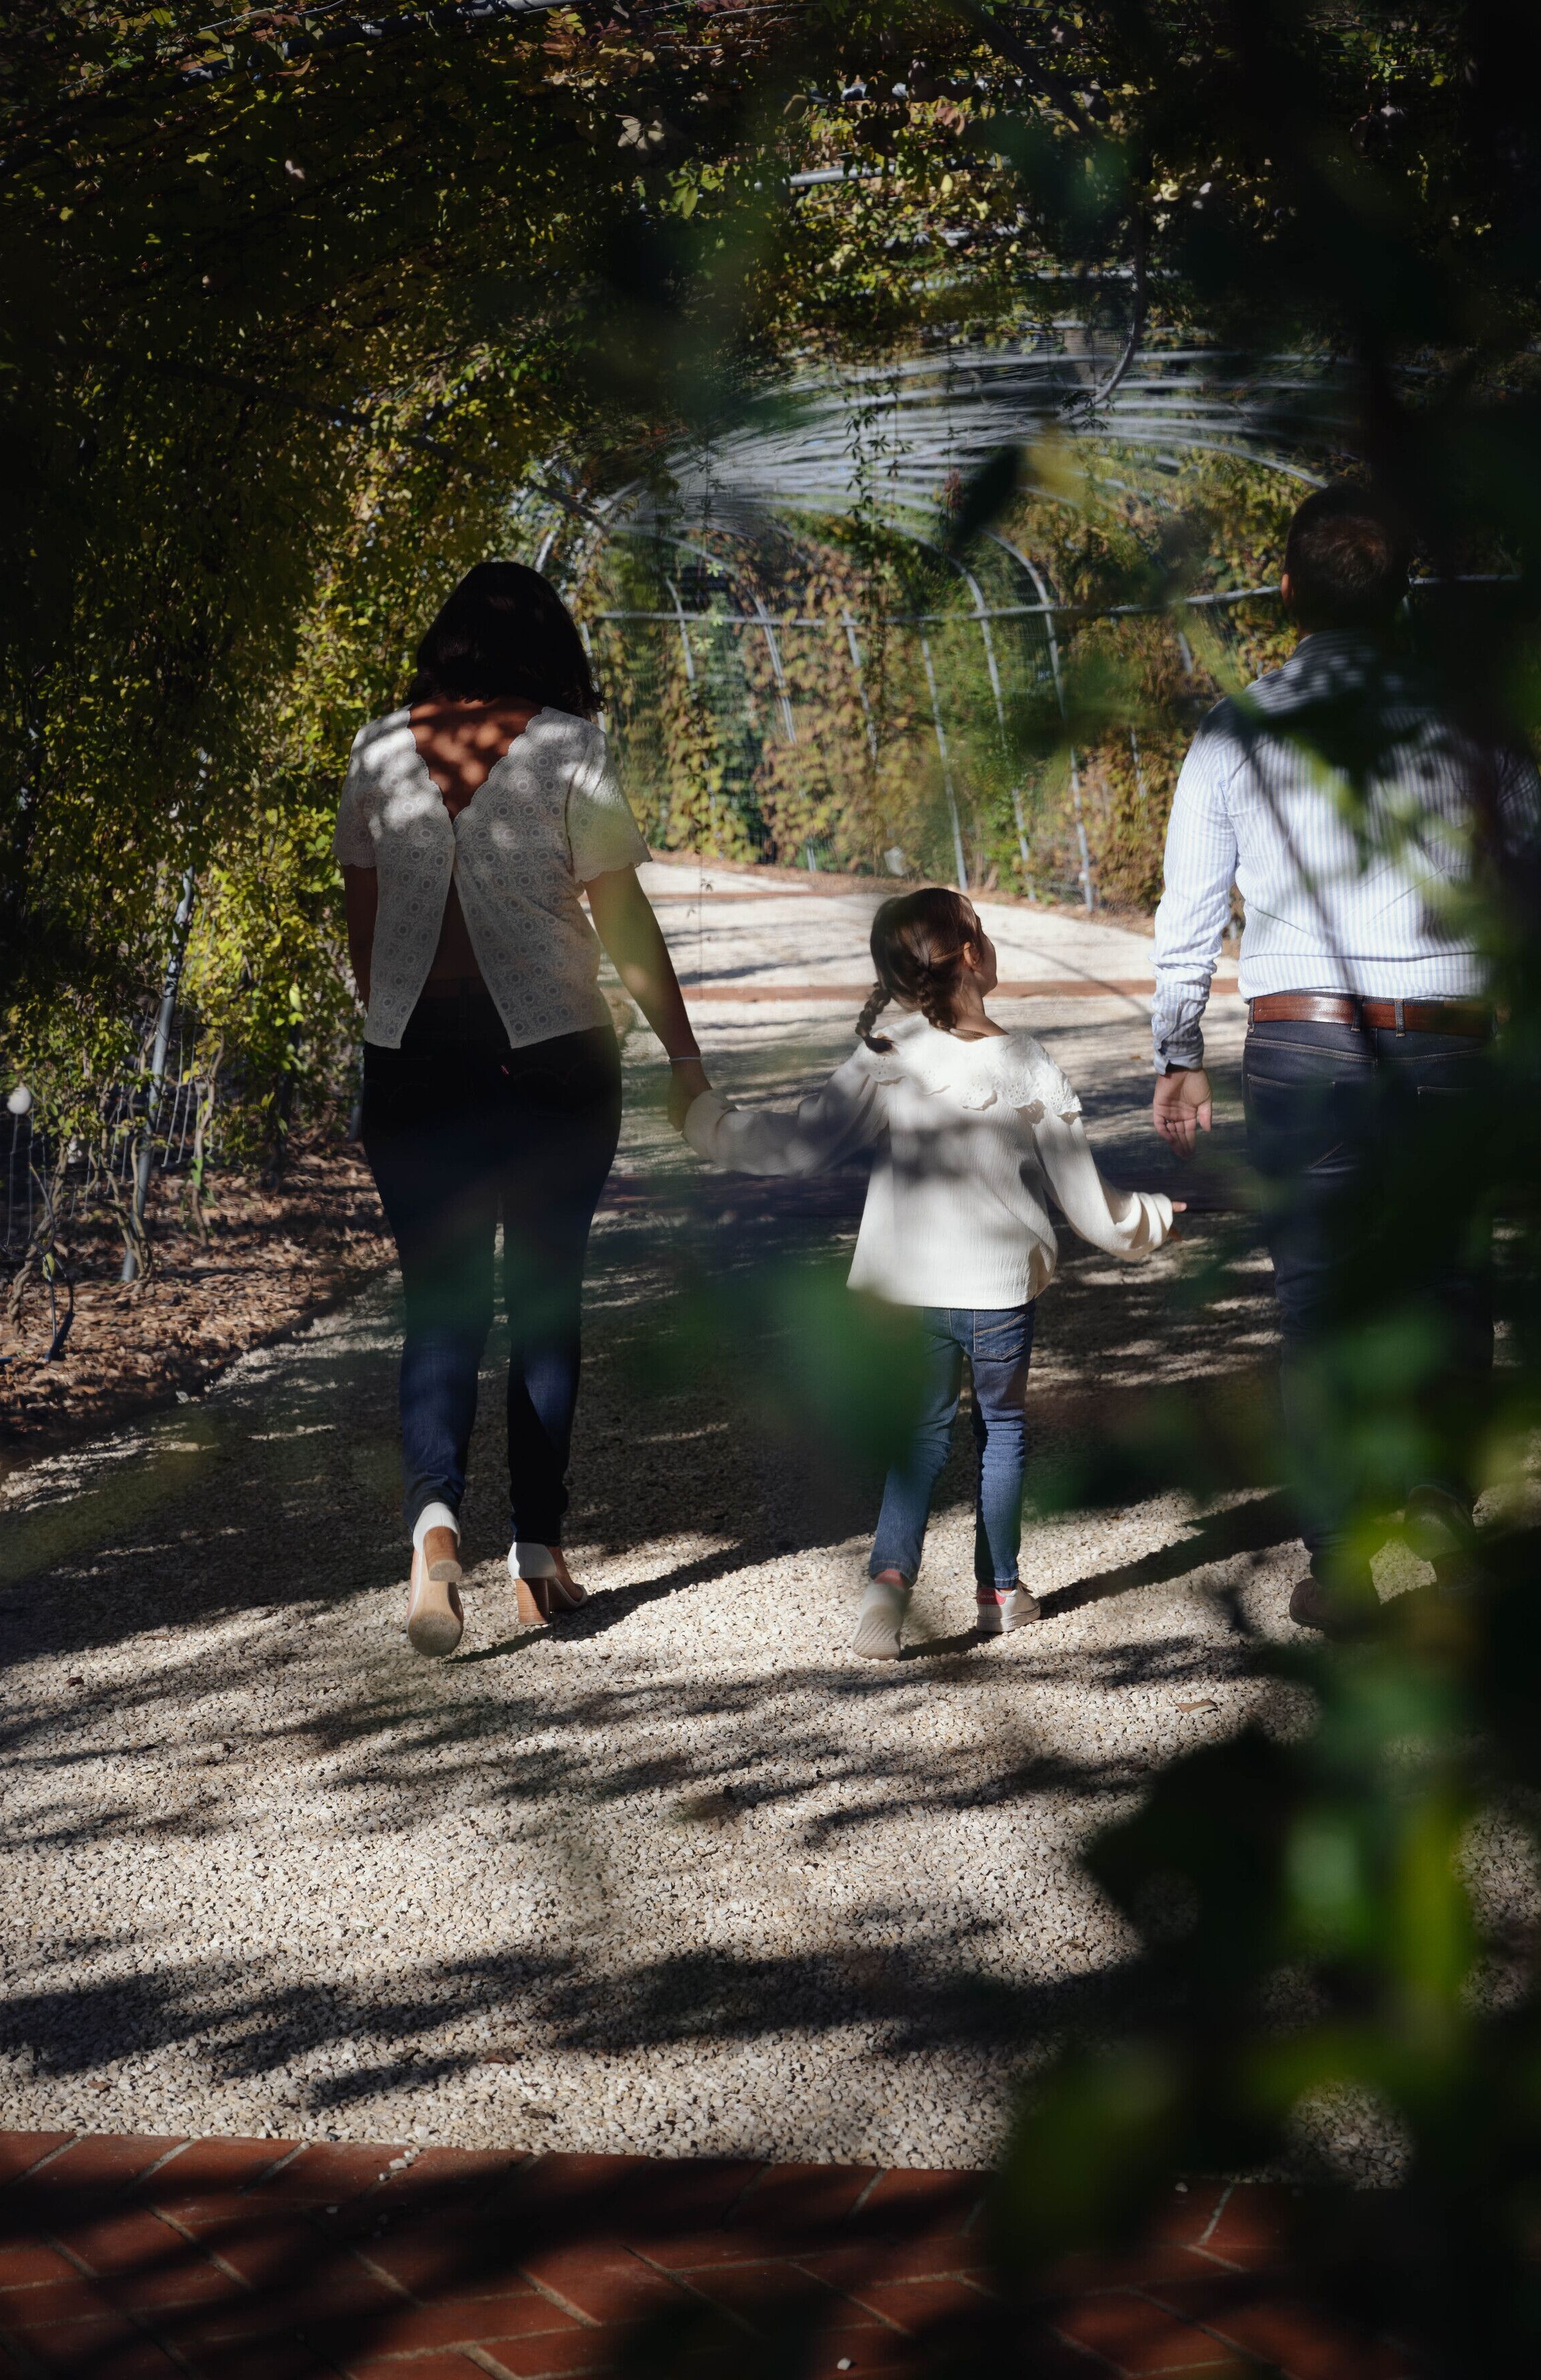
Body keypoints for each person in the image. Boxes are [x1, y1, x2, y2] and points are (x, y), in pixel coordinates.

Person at [1148, 485, 1541, 1631]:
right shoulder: (1480, 724)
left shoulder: (1238, 725)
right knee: (1453, 1292)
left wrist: (1176, 1052)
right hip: (1448, 1044)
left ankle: (1335, 1558)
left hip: (1297, 1046)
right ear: (1404, 594)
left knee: (1313, 1302)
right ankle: (1442, 1520)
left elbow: (1189, 911)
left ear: (1283, 590)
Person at [335, 561, 710, 1658]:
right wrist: (686, 1060)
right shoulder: (564, 748)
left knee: (440, 1304)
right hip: (552, 1055)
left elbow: (366, 938)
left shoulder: (374, 751)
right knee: (545, 1298)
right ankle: (537, 1559)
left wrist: (410, 1040)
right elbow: (625, 924)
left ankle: (433, 1532)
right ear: (548, 650)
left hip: (412, 1061)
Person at [679, 887, 1177, 1658]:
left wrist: (708, 1125)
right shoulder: (1029, 1064)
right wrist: (1154, 1216)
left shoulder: (887, 1057)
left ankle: (887, 1586)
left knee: (917, 1436)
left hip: (906, 1289)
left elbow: (800, 1144)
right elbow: (1093, 1210)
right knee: (1003, 1431)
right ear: (971, 954)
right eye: (982, 928)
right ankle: (999, 1594)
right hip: (1000, 1294)